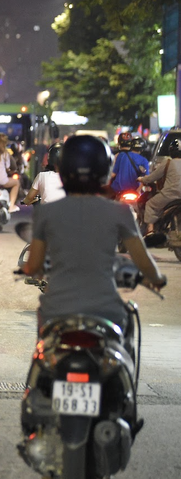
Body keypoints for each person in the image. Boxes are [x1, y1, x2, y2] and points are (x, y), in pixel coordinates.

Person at [21, 135, 165, 333]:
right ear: (105, 171)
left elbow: (34, 266)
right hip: (105, 308)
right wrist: (156, 278)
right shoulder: (121, 212)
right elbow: (144, 262)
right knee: (124, 344)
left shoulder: (46, 213)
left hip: (56, 309)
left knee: (43, 356)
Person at [139, 137, 181, 235]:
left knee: (150, 205)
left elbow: (151, 178)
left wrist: (142, 179)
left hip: (170, 195)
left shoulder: (168, 162)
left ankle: (150, 231)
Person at [110, 131, 150, 196]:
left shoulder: (120, 155)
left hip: (118, 189)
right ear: (142, 150)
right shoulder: (144, 160)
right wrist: (138, 190)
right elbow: (146, 178)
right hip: (135, 190)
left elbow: (113, 174)